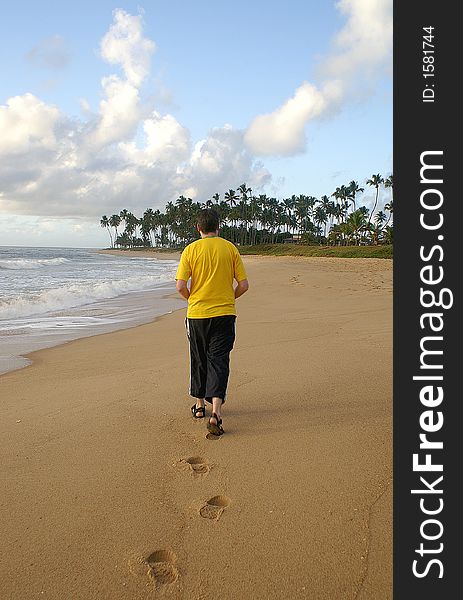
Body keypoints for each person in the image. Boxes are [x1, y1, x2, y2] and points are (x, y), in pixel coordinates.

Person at [175, 208, 249, 435]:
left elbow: (180, 286)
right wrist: (228, 299)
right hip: (225, 314)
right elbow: (244, 285)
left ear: (198, 228)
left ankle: (199, 407)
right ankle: (216, 411)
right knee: (219, 360)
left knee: (198, 358)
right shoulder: (229, 248)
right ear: (218, 227)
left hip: (197, 315)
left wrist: (194, 300)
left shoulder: (190, 250)